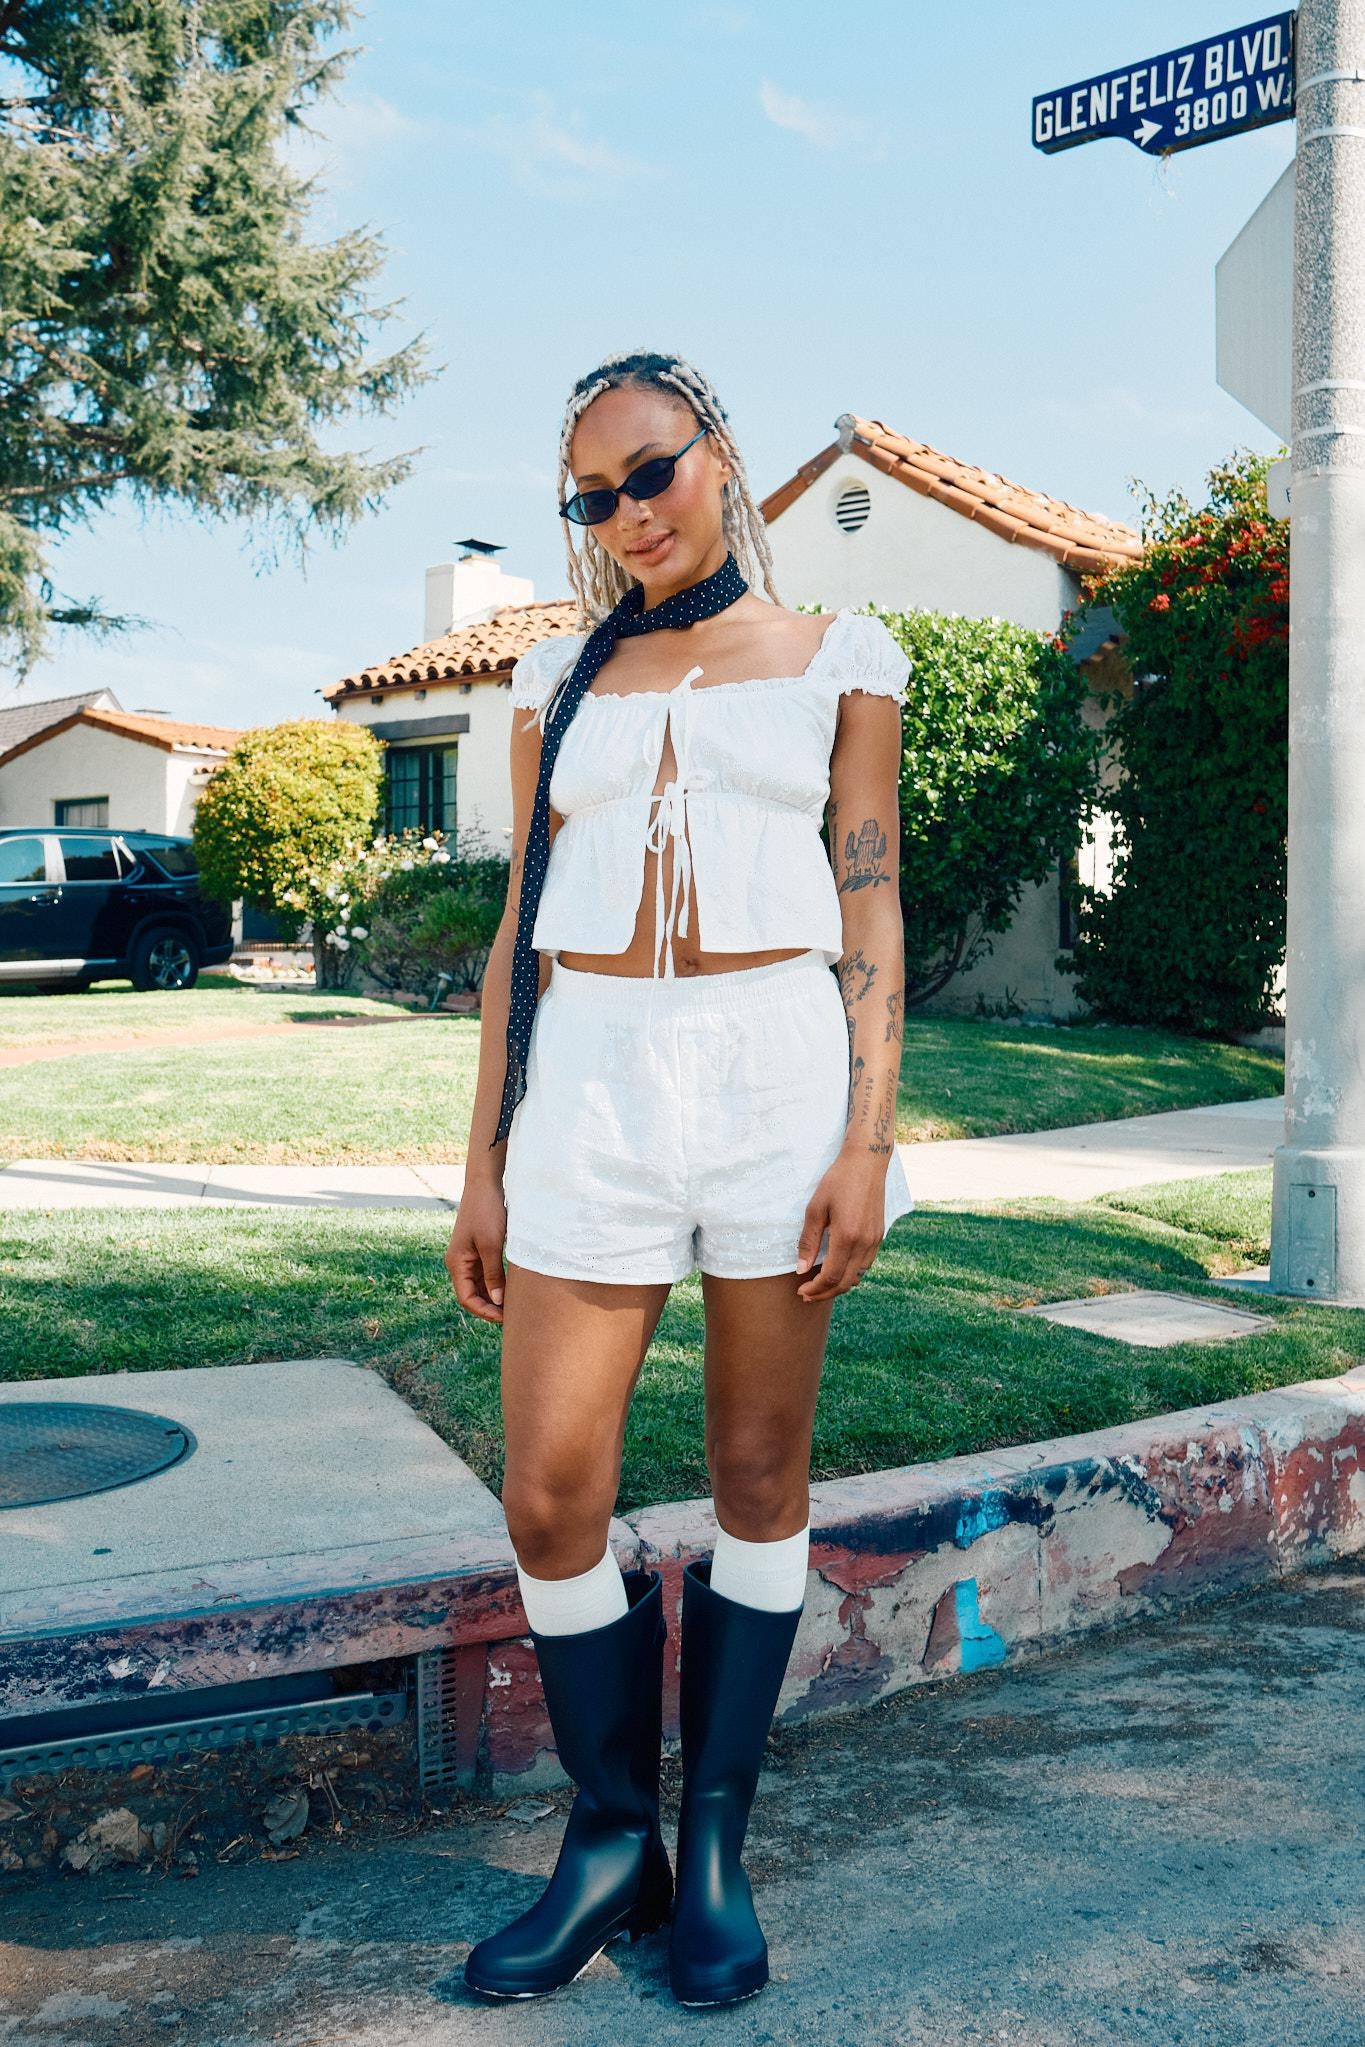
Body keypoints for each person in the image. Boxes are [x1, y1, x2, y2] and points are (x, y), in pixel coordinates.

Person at [446, 347, 913, 2008]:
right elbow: (519, 929)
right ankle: (604, 1838)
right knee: (550, 1495)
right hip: (589, 1098)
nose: (625, 513)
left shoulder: (835, 656)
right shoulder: (553, 674)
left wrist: (865, 1142)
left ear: (717, 453)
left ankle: (708, 1844)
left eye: (648, 471)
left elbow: (866, 901)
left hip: (776, 1086)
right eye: (592, 495)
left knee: (756, 1481)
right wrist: (484, 1160)